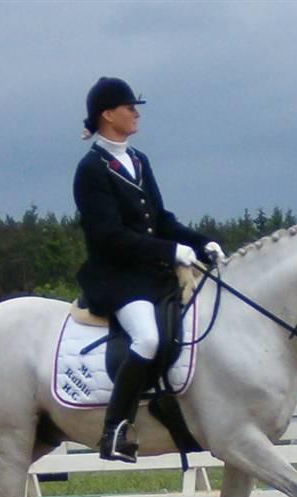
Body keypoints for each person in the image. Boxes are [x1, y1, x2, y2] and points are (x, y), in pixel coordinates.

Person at [73, 76, 225, 463]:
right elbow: (109, 235)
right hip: (118, 279)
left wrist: (198, 242)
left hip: (151, 274)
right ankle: (115, 428)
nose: (136, 112)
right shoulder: (91, 169)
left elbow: (161, 218)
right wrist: (171, 251)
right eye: (129, 107)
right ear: (108, 115)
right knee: (148, 339)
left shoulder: (138, 160)